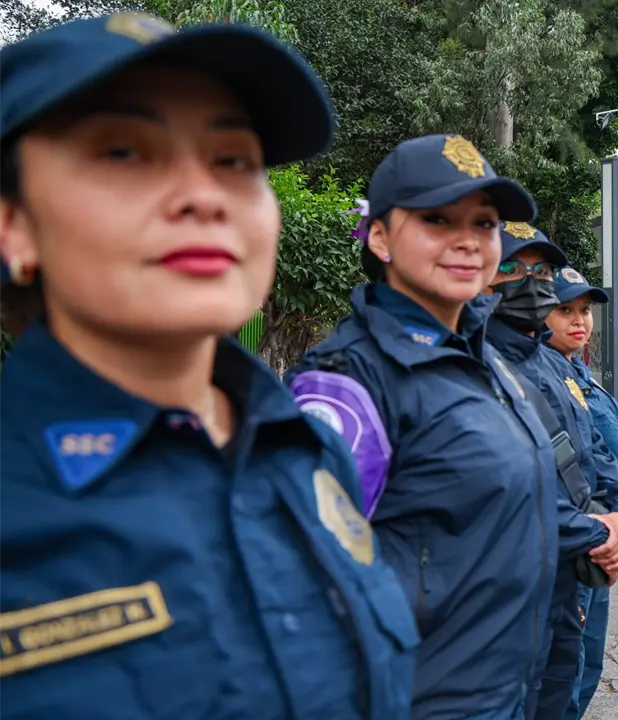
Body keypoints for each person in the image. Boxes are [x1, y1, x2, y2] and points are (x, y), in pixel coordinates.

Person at [0, 14, 418, 717]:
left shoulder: (308, 454)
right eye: (124, 151)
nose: (204, 195)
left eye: (235, 161)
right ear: (14, 225)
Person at [285, 134, 566, 719]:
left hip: (512, 692)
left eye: (485, 224)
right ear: (381, 237)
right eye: (438, 219)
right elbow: (303, 587)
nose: (467, 241)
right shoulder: (349, 384)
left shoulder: (483, 355)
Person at [486, 223, 618, 720]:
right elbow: (501, 486)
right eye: (513, 268)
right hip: (521, 580)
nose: (531, 282)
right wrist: (597, 532)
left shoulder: (556, 367)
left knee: (567, 686)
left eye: (542, 272)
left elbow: (595, 451)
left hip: (574, 564)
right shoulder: (476, 363)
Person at [543, 266, 618, 719]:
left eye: (585, 310)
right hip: (574, 548)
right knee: (565, 674)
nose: (580, 321)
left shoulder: (578, 371)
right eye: (565, 310)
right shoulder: (541, 378)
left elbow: (604, 460)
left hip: (601, 546)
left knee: (589, 661)